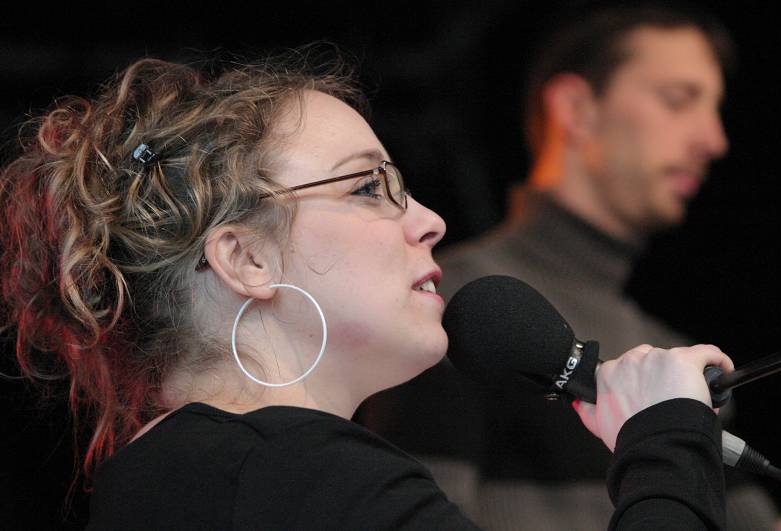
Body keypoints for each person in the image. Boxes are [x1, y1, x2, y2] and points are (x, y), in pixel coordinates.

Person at [0, 50, 732, 530]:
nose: (430, 220)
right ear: (245, 257)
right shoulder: (303, 473)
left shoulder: (188, 474)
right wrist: (664, 442)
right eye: (366, 186)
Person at [358, 4, 781, 530]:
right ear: (576, 108)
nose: (713, 140)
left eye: (715, 109)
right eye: (678, 101)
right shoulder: (452, 306)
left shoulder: (665, 348)